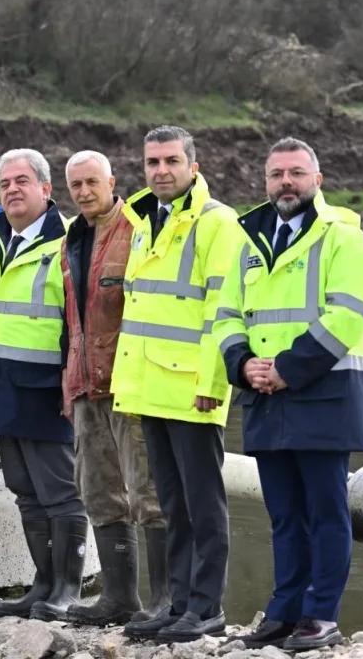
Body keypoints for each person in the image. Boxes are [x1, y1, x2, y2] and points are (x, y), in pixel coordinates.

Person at [214, 138, 363, 651]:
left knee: (325, 513)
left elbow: (349, 314)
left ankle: (321, 615)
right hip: (265, 396)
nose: (286, 182)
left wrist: (287, 369)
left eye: (296, 173)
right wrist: (243, 365)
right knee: (284, 516)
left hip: (324, 395)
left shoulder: (344, 238)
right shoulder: (248, 241)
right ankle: (283, 612)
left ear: (317, 179)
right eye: (276, 174)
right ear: (265, 181)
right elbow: (225, 315)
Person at [110, 125, 243, 643]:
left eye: (171, 161)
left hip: (193, 389)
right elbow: (142, 308)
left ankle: (207, 607)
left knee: (203, 505)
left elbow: (223, 309)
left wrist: (213, 380)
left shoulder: (217, 222)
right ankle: (180, 603)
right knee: (172, 504)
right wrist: (129, 384)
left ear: (193, 165)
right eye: (152, 162)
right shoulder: (145, 220)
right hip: (151, 387)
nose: (161, 170)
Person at [0, 148, 87, 622]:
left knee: (61, 491)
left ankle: (68, 591)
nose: (12, 190)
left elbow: (80, 323)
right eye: (4, 184)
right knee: (24, 490)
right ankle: (43, 585)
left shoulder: (68, 243)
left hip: (47, 389)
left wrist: (73, 385)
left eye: (22, 181)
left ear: (46, 189)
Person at [56, 150, 169, 628]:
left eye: (92, 182)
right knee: (98, 490)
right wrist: (69, 383)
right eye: (76, 185)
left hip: (130, 383)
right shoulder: (70, 238)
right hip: (85, 385)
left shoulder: (137, 230)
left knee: (149, 491)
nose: (84, 192)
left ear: (113, 182)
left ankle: (166, 600)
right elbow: (71, 319)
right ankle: (120, 598)